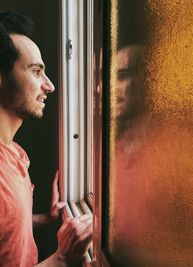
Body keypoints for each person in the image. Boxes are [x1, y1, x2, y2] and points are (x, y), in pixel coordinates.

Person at [0, 11, 92, 267]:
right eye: (36, 71)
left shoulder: (14, 152)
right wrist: (62, 257)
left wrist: (46, 218)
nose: (49, 85)